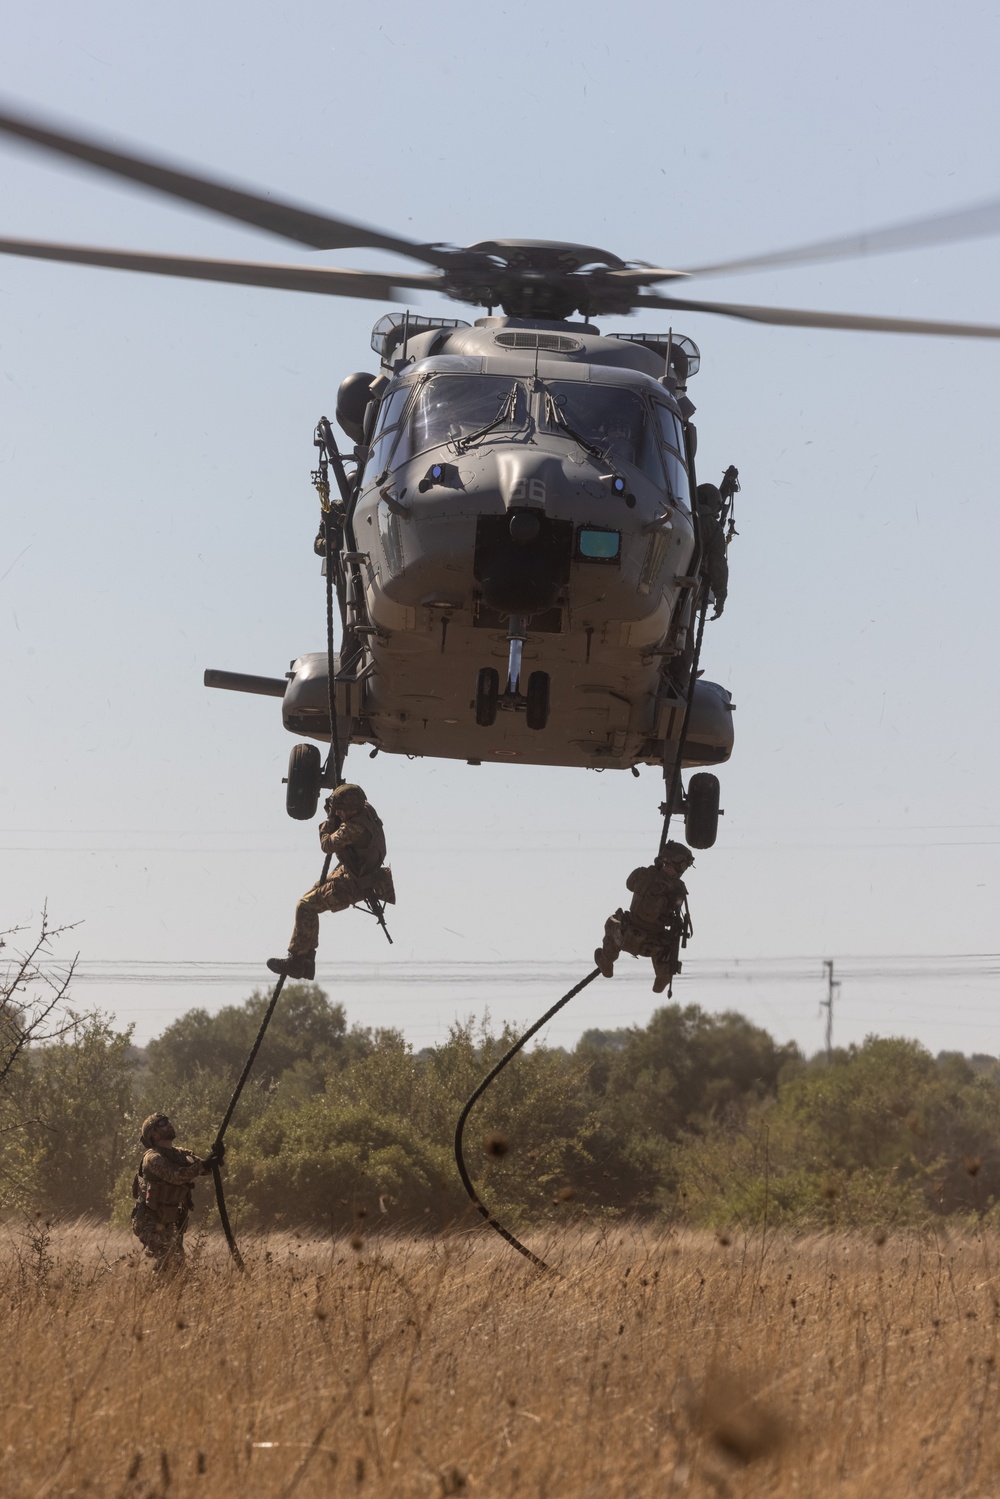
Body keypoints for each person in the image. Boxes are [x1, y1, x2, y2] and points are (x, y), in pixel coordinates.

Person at [267, 782, 395, 980]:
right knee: (311, 897)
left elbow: (327, 845)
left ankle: (296, 960)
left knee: (305, 907)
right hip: (354, 873)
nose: (339, 814)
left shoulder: (354, 828)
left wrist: (329, 819)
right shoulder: (365, 809)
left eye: (341, 811)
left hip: (353, 885)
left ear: (352, 809)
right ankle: (307, 961)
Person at [595, 841, 694, 994]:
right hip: (651, 946)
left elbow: (629, 884)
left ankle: (607, 960)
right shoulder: (677, 888)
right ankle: (662, 975)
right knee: (668, 943)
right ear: (679, 866)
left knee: (612, 922)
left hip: (625, 937)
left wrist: (652, 872)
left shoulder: (643, 874)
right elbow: (675, 913)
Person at [131, 1113, 222, 1272]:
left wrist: (216, 1157)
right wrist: (203, 1166)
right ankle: (155, 1293)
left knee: (177, 1266)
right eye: (162, 1123)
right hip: (149, 1222)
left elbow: (202, 1168)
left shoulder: (180, 1154)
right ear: (153, 1133)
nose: (169, 1125)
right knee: (168, 1260)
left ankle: (167, 1293)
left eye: (168, 1121)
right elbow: (177, 1176)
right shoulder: (152, 1158)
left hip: (170, 1221)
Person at [696, 482, 729, 619]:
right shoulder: (712, 527)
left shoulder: (681, 513)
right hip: (691, 584)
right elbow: (717, 562)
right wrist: (720, 595)